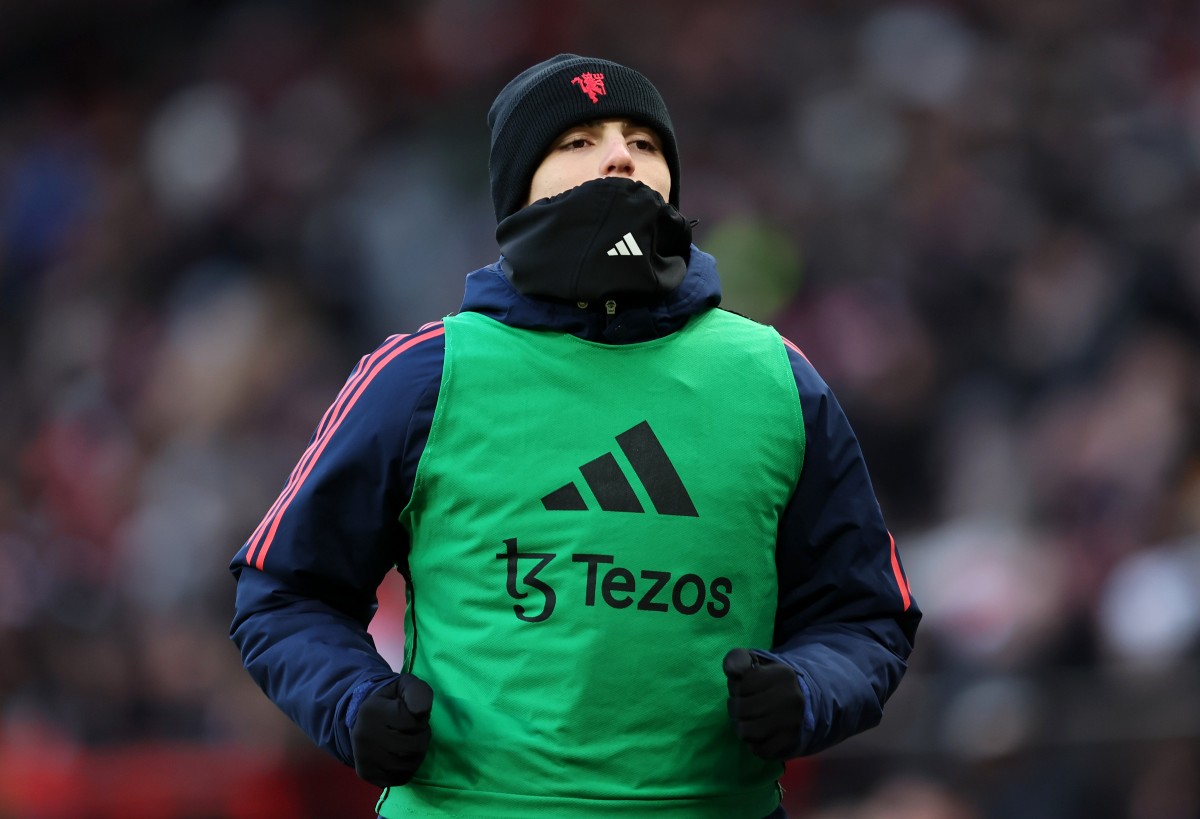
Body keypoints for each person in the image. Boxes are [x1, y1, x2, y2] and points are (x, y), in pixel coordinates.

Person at [230, 53, 920, 819]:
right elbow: (285, 591)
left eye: (644, 141)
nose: (621, 153)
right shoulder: (423, 375)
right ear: (517, 188)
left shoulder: (775, 378)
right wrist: (354, 705)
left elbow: (864, 614)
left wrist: (806, 692)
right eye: (579, 140)